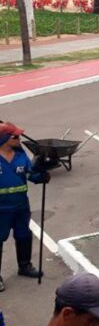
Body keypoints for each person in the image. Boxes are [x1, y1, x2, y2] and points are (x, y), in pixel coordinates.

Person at [0, 122, 50, 292]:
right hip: (1, 210)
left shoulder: (21, 155)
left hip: (21, 206)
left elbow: (31, 174)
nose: (19, 138)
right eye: (15, 136)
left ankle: (25, 266)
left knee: (23, 236)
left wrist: (42, 175)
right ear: (5, 139)